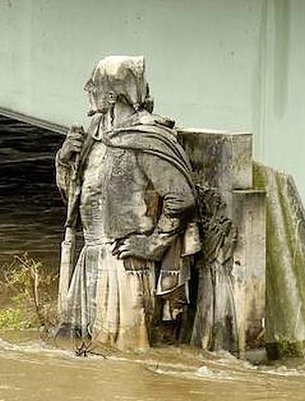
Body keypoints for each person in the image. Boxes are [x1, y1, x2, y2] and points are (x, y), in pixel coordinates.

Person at [55, 56, 199, 351]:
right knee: (78, 350)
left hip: (124, 265)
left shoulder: (146, 137)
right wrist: (65, 161)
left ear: (112, 94)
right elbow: (79, 199)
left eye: (94, 84)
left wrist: (153, 245)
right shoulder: (96, 134)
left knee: (124, 358)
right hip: (90, 257)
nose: (88, 90)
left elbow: (181, 197)